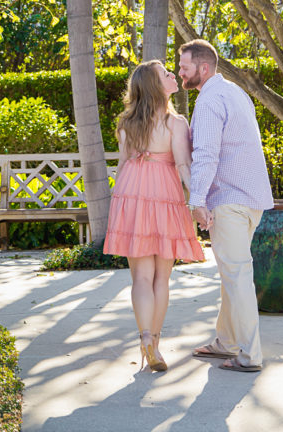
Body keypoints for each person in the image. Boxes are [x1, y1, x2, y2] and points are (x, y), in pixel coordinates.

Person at [179, 38, 273, 373]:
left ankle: (249, 356)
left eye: (184, 67)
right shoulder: (236, 93)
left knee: (237, 276)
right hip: (252, 202)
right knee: (231, 274)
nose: (179, 73)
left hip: (229, 202)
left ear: (203, 68)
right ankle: (227, 342)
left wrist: (198, 201)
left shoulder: (208, 101)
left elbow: (206, 154)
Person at [104, 59, 204, 372]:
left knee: (141, 277)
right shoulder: (176, 123)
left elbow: (122, 164)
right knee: (162, 276)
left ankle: (145, 336)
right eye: (166, 74)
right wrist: (197, 200)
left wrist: (117, 205)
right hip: (163, 194)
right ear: (156, 86)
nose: (173, 74)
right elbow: (184, 166)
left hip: (132, 192)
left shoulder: (126, 122)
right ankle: (156, 344)